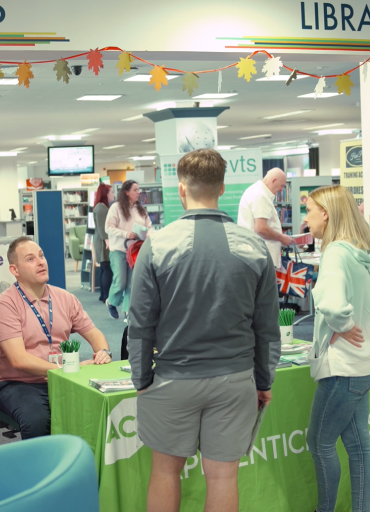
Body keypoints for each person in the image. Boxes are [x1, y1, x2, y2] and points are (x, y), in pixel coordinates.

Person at [129, 149, 281, 512]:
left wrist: (141, 378)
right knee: (224, 477)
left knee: (165, 473)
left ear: (182, 190)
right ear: (223, 187)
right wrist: (263, 380)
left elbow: (141, 322)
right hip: (234, 378)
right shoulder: (255, 246)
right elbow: (267, 327)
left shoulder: (158, 244)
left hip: (172, 378)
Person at [303, 185, 370, 512]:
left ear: (325, 214)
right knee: (359, 449)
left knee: (319, 444)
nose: (306, 218)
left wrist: (343, 323)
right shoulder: (356, 250)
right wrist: (359, 303)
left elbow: (330, 303)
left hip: (342, 369)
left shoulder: (335, 253)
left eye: (310, 211)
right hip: (363, 365)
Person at [0, 237, 113, 439]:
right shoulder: (4, 306)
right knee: (38, 421)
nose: (40, 262)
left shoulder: (65, 298)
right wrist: (67, 369)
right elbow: (18, 359)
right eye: (30, 259)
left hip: (64, 377)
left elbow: (95, 334)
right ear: (15, 270)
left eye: (41, 256)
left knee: (100, 408)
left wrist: (103, 352)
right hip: (17, 382)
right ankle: (41, 470)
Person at [105, 180, 152, 321]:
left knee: (132, 283)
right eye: (135, 190)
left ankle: (128, 312)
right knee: (121, 281)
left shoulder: (140, 209)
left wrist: (148, 234)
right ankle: (112, 302)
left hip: (135, 250)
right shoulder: (116, 208)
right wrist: (126, 234)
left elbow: (149, 226)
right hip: (119, 250)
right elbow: (108, 228)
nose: (138, 192)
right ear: (127, 192)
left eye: (139, 190)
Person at [238, 168, 295, 268]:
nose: (282, 189)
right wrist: (282, 238)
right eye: (282, 185)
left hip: (257, 257)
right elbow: (261, 228)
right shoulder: (260, 195)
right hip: (261, 258)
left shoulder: (256, 191)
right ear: (273, 180)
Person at [93, 183, 114, 303]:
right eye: (111, 192)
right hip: (103, 241)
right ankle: (106, 296)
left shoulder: (101, 206)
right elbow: (102, 227)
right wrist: (107, 242)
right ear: (106, 194)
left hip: (101, 240)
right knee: (107, 269)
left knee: (103, 269)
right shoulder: (101, 207)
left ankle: (103, 294)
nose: (113, 194)